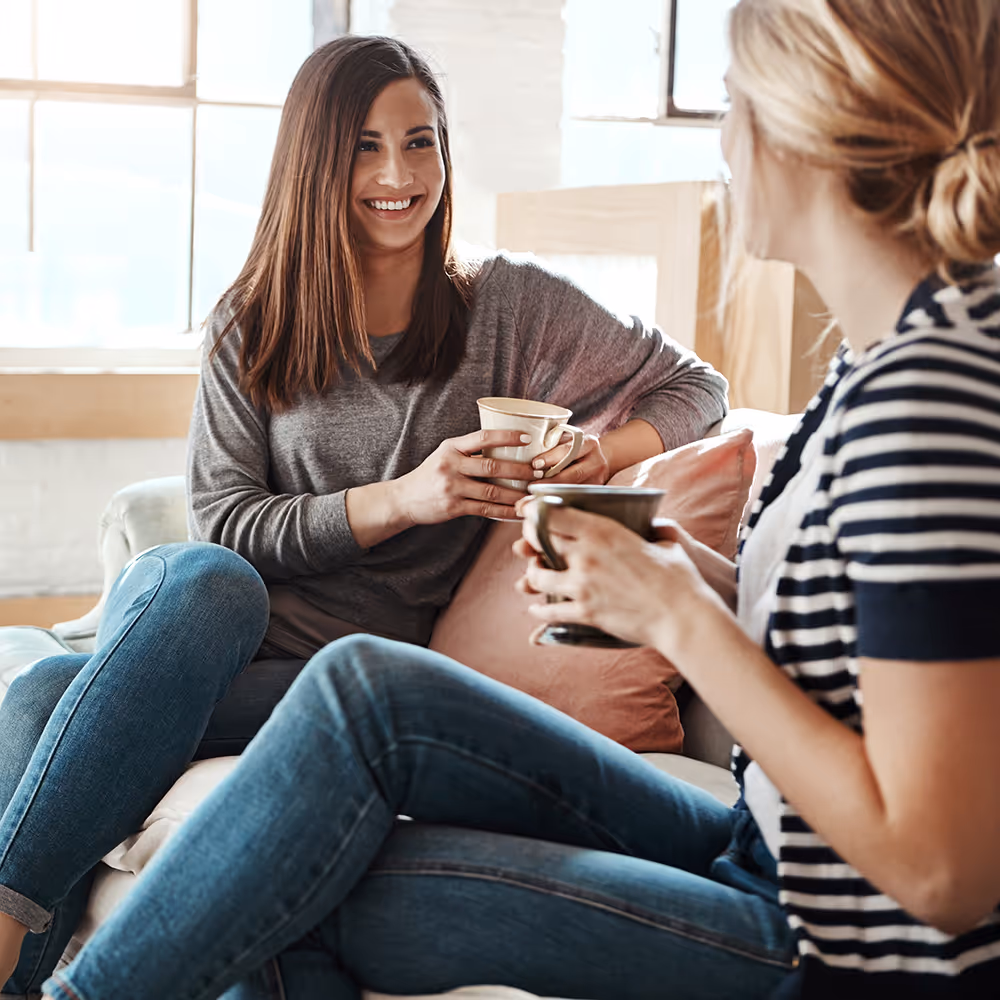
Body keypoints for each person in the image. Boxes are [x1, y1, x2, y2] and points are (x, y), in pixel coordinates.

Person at [25, 2, 1000, 998]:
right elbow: (844, 639)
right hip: (768, 840)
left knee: (290, 863)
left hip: (820, 939)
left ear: (815, 126)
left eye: (729, 104)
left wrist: (671, 610)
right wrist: (661, 565)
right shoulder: (876, 365)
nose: (721, 140)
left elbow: (944, 874)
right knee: (344, 695)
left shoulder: (926, 399)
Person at [0, 35, 726, 999]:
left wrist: (597, 454)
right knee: (204, 580)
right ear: (315, 161)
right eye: (365, 147)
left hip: (332, 675)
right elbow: (222, 526)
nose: (399, 174)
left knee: (45, 695)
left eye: (421, 142)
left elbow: (696, 386)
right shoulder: (250, 321)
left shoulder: (505, 306)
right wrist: (402, 501)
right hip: (204, 633)